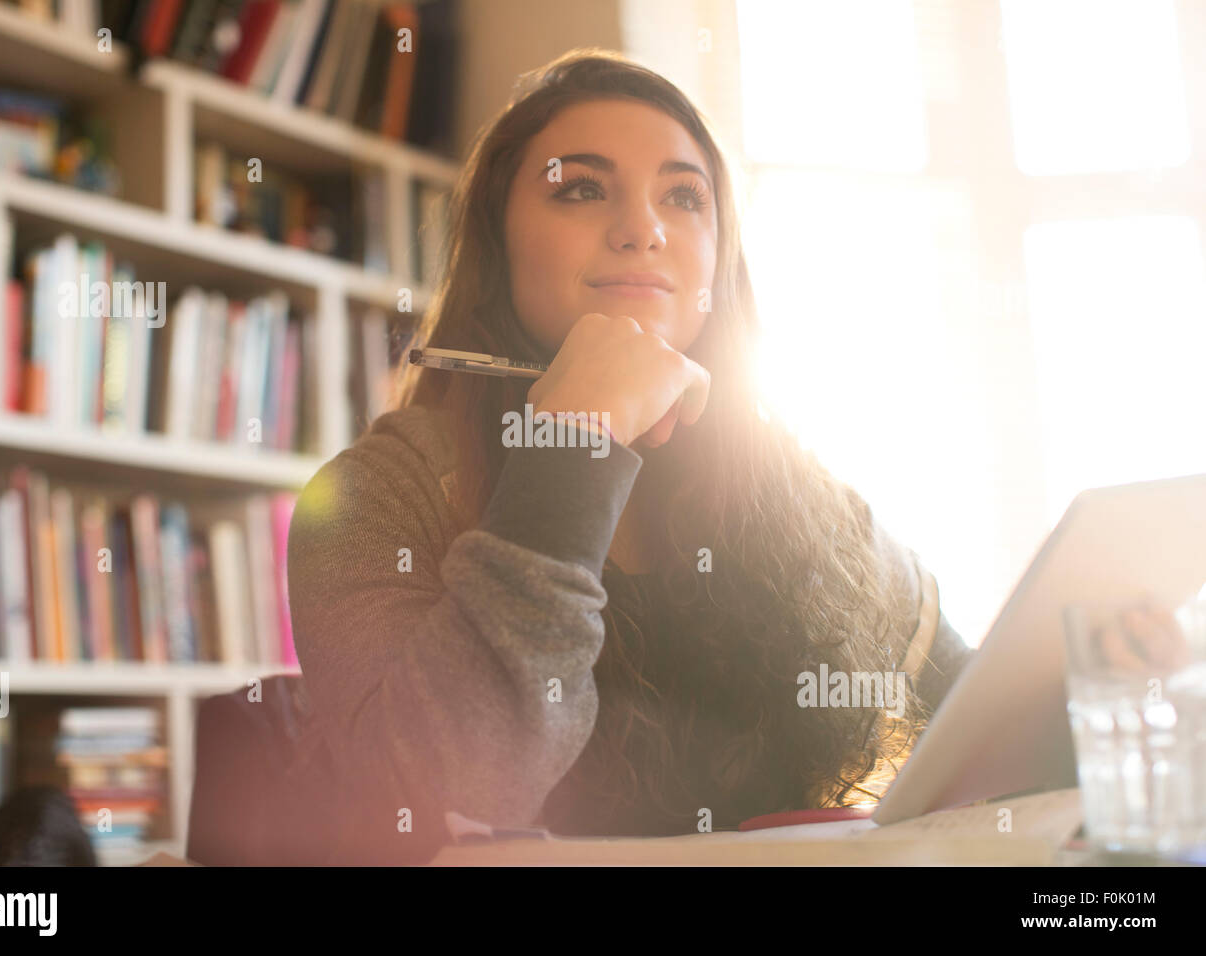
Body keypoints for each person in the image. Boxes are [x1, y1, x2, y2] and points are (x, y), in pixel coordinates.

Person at [287, 49, 975, 864]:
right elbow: (428, 798)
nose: (643, 228)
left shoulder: (802, 492)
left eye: (684, 196)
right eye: (580, 187)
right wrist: (573, 440)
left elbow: (983, 712)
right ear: (496, 246)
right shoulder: (377, 495)